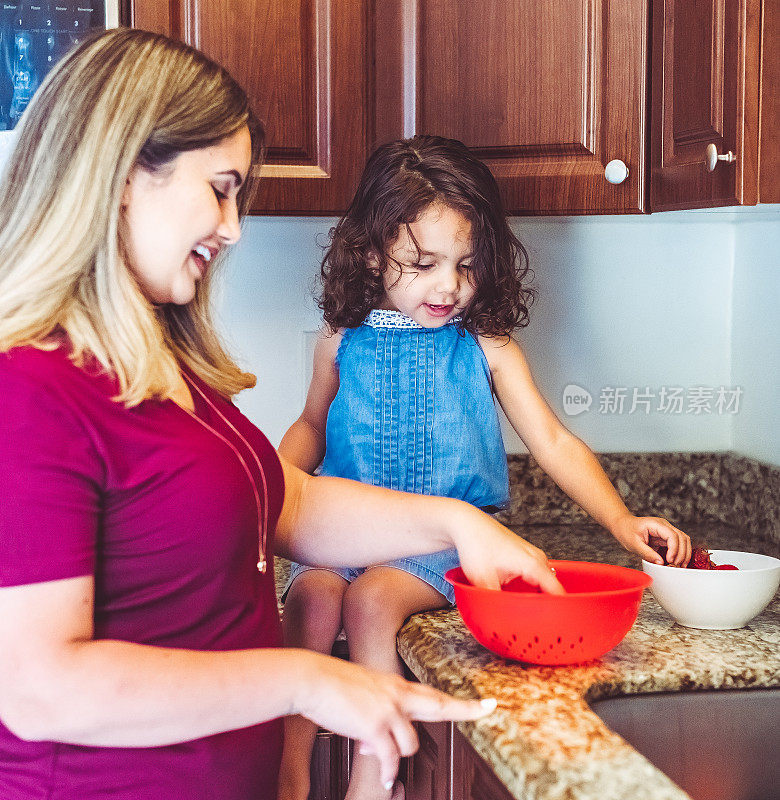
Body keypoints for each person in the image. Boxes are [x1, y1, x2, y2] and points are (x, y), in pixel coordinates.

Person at [0, 30, 569, 800]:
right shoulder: (30, 387)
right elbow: (40, 688)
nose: (233, 227)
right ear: (126, 174)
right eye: (221, 187)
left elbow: (286, 499)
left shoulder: (160, 367)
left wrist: (459, 524)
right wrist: (303, 682)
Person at [277, 135, 693, 800]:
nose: (449, 285)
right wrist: (269, 490)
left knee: (372, 600)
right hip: (343, 535)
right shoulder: (340, 336)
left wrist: (619, 519)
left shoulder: (486, 345)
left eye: (466, 266)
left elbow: (553, 442)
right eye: (423, 263)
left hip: (441, 547)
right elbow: (310, 426)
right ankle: (290, 758)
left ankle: (371, 767)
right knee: (312, 597)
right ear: (372, 251)